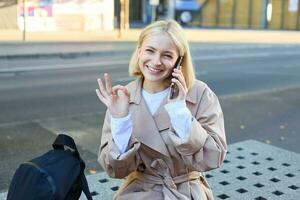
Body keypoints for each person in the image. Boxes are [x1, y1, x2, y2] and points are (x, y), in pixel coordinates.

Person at [96, 19, 227, 200]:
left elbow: (213, 158)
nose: (156, 62)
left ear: (179, 61)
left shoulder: (200, 93)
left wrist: (179, 111)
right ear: (139, 51)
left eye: (167, 55)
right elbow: (115, 170)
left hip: (187, 191)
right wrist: (120, 120)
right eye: (150, 50)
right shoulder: (123, 98)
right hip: (139, 192)